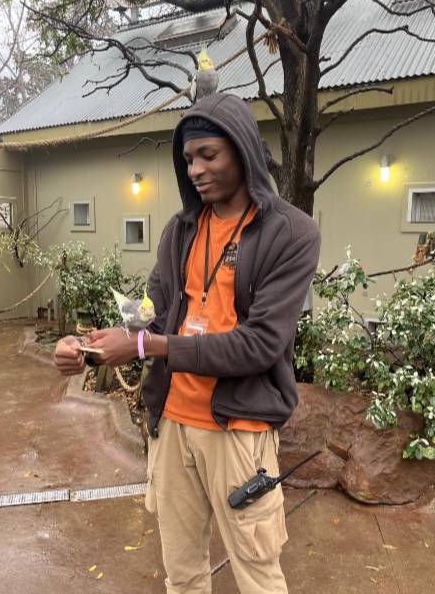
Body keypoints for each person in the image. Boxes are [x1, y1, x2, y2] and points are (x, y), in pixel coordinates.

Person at [54, 93, 321, 594]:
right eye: (188, 159)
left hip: (238, 430)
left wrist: (147, 348)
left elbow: (259, 345)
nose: (196, 169)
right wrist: (88, 345)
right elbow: (149, 311)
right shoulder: (181, 230)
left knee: (259, 573)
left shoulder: (292, 232)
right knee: (183, 574)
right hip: (172, 424)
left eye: (208, 155)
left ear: (241, 150)